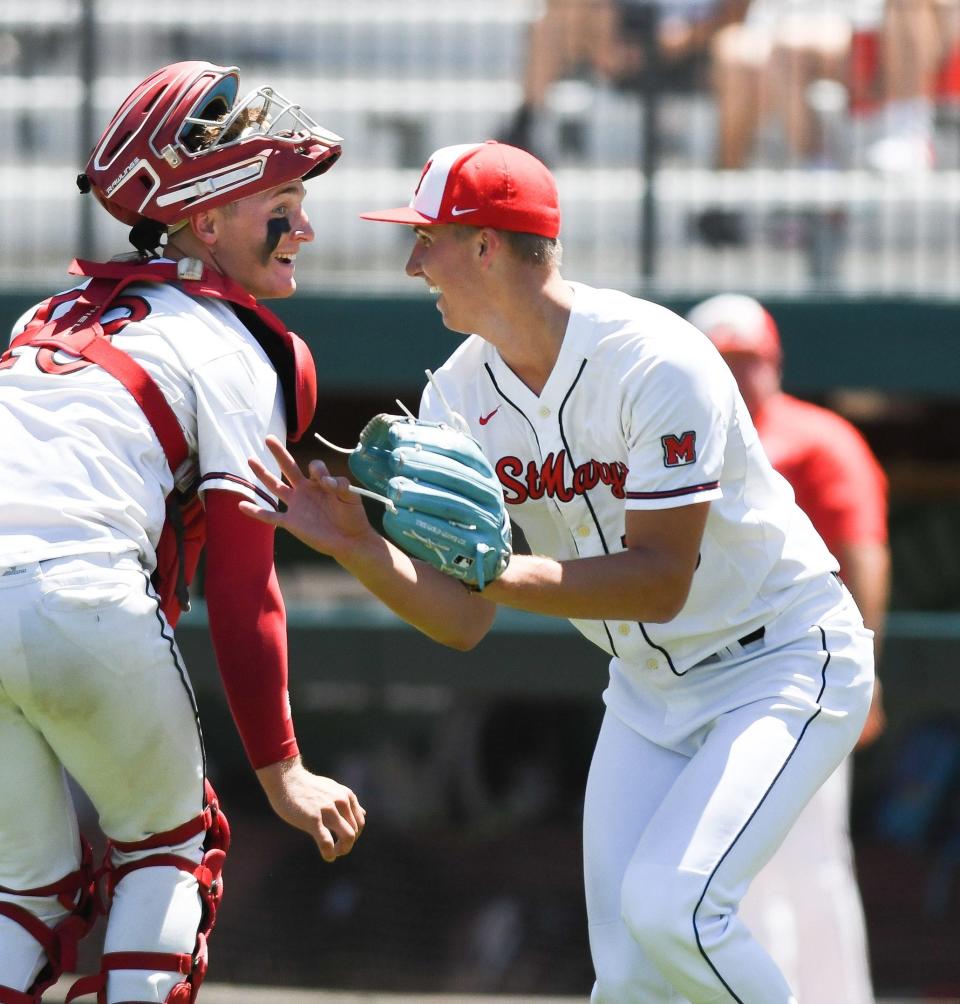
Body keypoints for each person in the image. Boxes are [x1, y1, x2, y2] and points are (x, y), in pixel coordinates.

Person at [243, 139, 875, 1002]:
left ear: (486, 246)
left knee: (675, 911)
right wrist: (361, 545)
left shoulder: (658, 360)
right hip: (649, 689)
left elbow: (658, 580)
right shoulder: (455, 397)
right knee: (624, 974)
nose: (412, 261)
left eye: (428, 238)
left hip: (780, 660)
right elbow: (463, 619)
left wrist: (495, 571)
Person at [0, 61, 365, 1004]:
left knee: (26, 897)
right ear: (206, 219)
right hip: (81, 592)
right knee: (171, 849)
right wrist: (281, 772)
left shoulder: (44, 314)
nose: (307, 225)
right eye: (282, 198)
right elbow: (248, 587)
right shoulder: (226, 344)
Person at [686, 292, 891, 1004]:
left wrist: (862, 675)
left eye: (753, 359)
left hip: (800, 673)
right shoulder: (674, 436)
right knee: (723, 866)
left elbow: (863, 550)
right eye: (726, 359)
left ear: (775, 362)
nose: (742, 374)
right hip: (699, 677)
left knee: (807, 861)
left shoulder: (818, 437)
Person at [501, 0, 750, 159]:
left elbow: (738, 11)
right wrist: (605, 44)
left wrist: (687, 37)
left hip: (703, 45)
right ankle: (525, 125)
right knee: (559, 12)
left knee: (742, 55)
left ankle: (724, 193)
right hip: (622, 35)